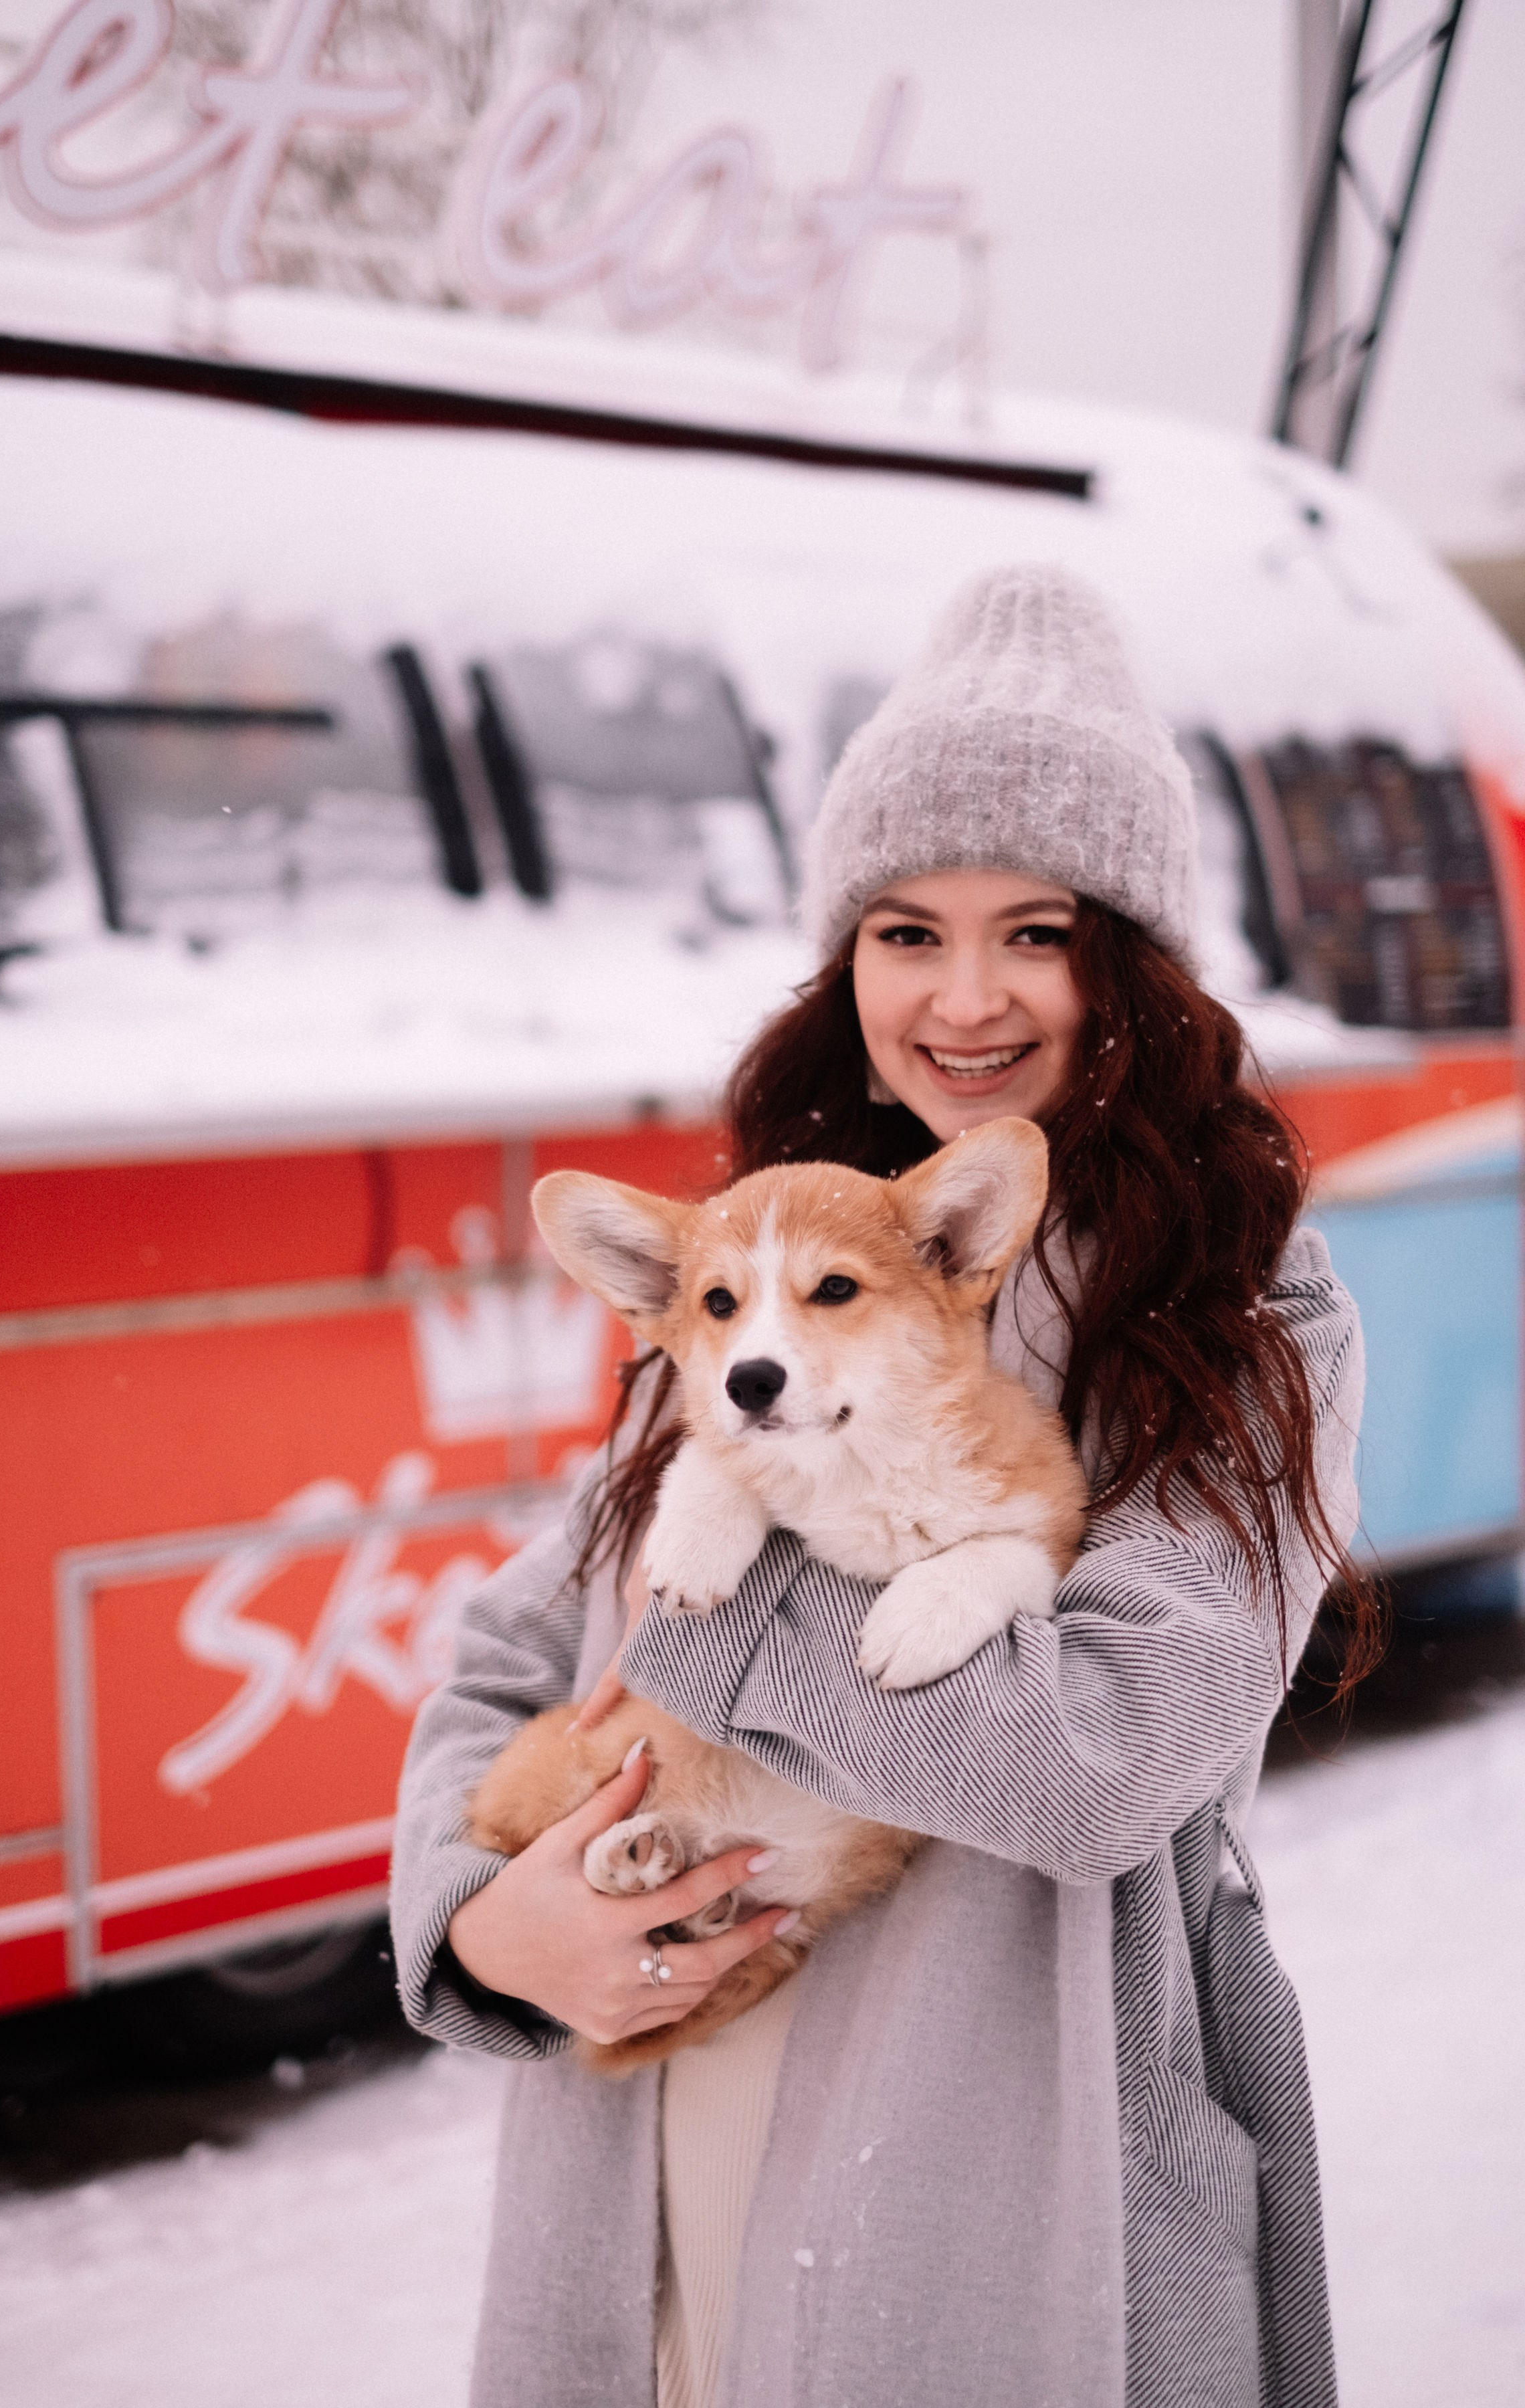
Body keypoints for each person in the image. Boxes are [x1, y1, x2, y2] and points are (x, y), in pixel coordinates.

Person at [390, 563, 1373, 2408]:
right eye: (907, 931)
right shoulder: (772, 1249)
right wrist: (480, 1916)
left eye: (1040, 931)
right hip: (663, 2121)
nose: (967, 997)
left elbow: (1086, 1764)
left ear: (1136, 962)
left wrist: (738, 1586)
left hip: (1004, 2145)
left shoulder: (1245, 1313)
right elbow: (524, 1649)